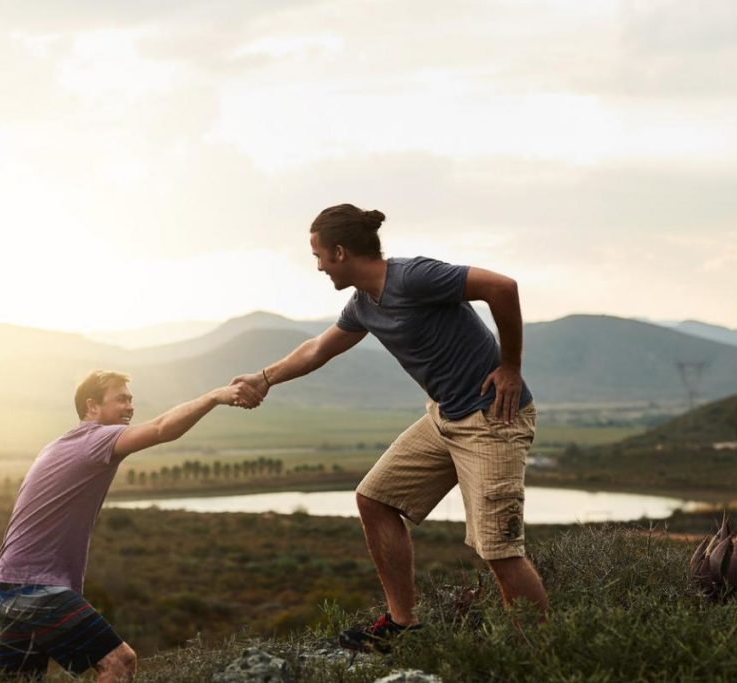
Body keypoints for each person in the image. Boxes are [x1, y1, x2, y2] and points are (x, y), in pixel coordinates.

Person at [232, 203, 547, 653]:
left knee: (498, 549)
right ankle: (403, 624)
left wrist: (511, 367)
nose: (318, 265)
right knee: (375, 499)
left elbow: (502, 286)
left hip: (492, 418)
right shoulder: (363, 304)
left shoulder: (413, 277)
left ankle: (536, 656)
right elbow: (319, 347)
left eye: (319, 255)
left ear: (340, 252)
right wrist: (263, 379)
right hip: (445, 417)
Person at [0, 371, 263, 681]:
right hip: (33, 587)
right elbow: (161, 429)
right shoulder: (94, 439)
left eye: (131, 399)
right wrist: (213, 396)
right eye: (121, 399)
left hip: (4, 586)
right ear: (92, 406)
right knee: (120, 662)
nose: (130, 406)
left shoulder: (61, 444)